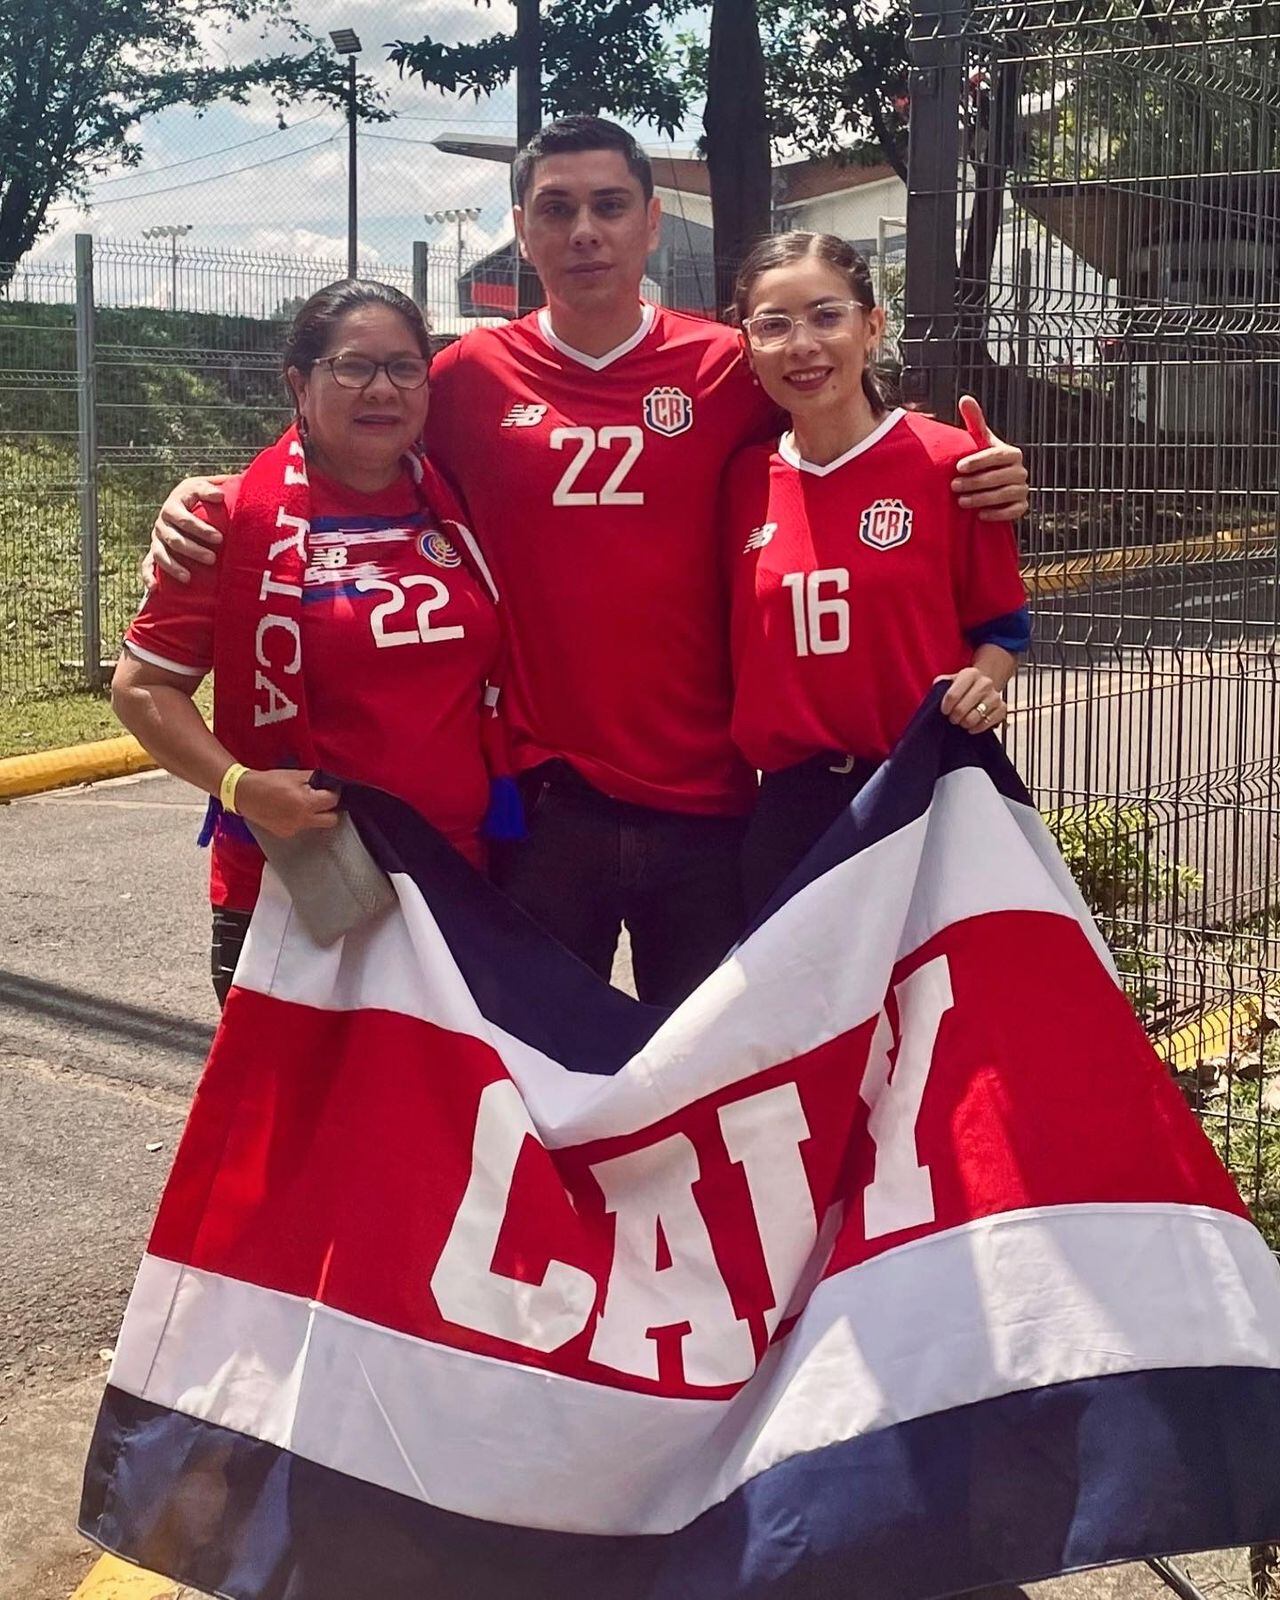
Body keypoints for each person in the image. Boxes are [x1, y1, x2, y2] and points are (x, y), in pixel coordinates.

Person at [144, 116, 1032, 1007]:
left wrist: (968, 468)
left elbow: (845, 426)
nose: (585, 231)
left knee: (713, 1082)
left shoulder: (730, 367)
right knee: (542, 1083)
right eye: (556, 209)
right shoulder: (468, 376)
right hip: (542, 807)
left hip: (710, 803)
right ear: (523, 229)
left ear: (651, 220)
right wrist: (219, 490)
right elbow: (344, 437)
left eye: (610, 206)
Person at [112, 280, 503, 1004]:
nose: (381, 389)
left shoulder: (458, 504)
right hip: (300, 884)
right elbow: (141, 688)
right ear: (300, 381)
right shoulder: (230, 519)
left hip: (456, 879)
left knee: (435, 1116)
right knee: (288, 1117)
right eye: (353, 367)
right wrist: (243, 788)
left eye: (404, 367)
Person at [724, 231, 1031, 918]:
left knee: (935, 1018)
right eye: (774, 325)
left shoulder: (953, 464)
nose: (802, 344)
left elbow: (1002, 628)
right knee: (800, 1024)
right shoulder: (741, 481)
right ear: (747, 345)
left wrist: (986, 682)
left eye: (826, 315)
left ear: (872, 327)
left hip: (925, 789)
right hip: (792, 811)